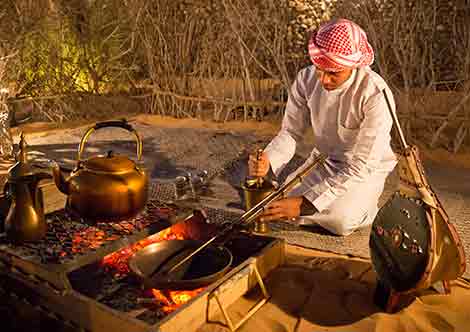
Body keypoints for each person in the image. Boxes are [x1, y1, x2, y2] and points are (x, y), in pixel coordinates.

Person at [248, 18, 397, 236]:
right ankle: (315, 208)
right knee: (277, 202)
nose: (324, 80)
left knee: (341, 221)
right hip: (324, 161)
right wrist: (268, 160)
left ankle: (367, 210)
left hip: (365, 170)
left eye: (333, 73)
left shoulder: (375, 94)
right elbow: (290, 132)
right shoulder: (305, 79)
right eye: (319, 70)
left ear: (352, 66)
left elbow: (361, 165)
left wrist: (303, 205)